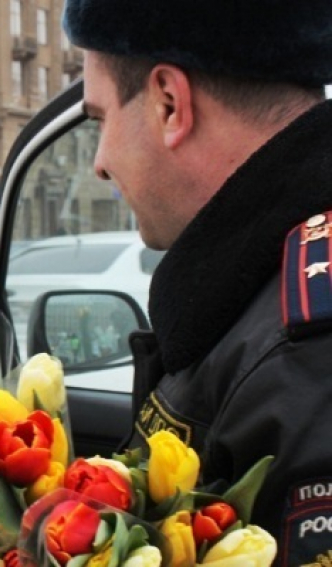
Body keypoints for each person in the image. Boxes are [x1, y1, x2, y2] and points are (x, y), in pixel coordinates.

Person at [62, 0, 332, 563]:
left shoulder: (302, 362)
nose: (100, 164)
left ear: (168, 104)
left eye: (100, 119)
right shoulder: (263, 298)